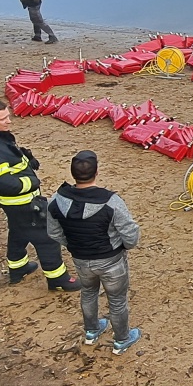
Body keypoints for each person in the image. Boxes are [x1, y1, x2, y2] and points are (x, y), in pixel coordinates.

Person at [0, 99, 77, 291]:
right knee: (47, 237)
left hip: (14, 203)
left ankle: (18, 268)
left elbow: (8, 153)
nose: (8, 121)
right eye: (3, 119)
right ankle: (58, 279)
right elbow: (4, 183)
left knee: (19, 231)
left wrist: (26, 157)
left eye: (8, 116)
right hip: (22, 201)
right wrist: (32, 182)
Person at [48, 150, 142, 354]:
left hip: (81, 260)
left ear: (72, 173)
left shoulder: (56, 200)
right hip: (111, 261)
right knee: (117, 301)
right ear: (97, 172)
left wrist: (74, 244)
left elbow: (53, 232)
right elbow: (131, 234)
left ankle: (92, 330)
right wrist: (124, 246)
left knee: (88, 292)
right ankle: (122, 340)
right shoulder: (111, 202)